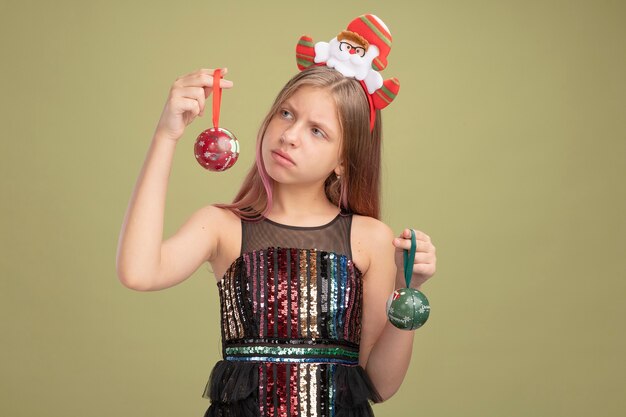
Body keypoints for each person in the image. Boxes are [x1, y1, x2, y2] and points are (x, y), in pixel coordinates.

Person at [116, 14, 437, 417]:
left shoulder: (369, 238)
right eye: (287, 114)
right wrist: (167, 136)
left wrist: (408, 290)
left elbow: (379, 384)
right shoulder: (223, 226)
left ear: (343, 161)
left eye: (317, 131)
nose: (290, 135)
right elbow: (138, 271)